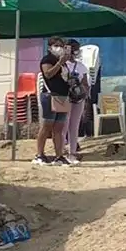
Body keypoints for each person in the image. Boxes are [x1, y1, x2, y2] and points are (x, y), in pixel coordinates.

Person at [35, 37, 72, 166]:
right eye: (56, 45)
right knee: (47, 126)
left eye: (61, 45)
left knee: (59, 128)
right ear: (50, 47)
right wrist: (59, 63)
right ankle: (39, 154)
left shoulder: (64, 62)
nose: (59, 48)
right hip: (50, 95)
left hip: (63, 96)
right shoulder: (47, 60)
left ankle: (59, 155)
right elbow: (48, 74)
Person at [62, 39, 90, 164]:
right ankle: (61, 151)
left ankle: (72, 152)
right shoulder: (62, 65)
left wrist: (84, 95)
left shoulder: (81, 66)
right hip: (65, 98)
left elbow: (85, 83)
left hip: (78, 99)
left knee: (74, 126)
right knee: (64, 125)